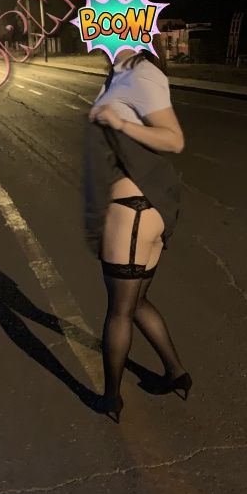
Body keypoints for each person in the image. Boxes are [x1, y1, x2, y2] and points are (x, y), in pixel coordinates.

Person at [83, 40, 191, 422]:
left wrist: (120, 123)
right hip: (143, 208)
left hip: (132, 212)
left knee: (119, 311)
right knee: (136, 302)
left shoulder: (142, 74)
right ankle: (176, 373)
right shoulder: (121, 75)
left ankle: (110, 398)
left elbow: (173, 139)